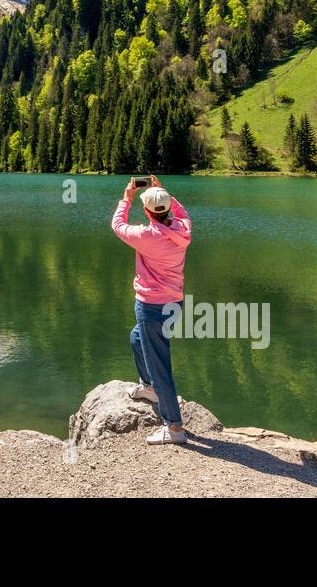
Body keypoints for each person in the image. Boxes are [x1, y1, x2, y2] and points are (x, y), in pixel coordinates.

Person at [111, 175, 192, 445]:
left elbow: (118, 225)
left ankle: (175, 428)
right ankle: (148, 388)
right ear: (168, 208)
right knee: (136, 339)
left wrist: (127, 197)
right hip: (174, 304)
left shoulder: (146, 236)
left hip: (151, 307)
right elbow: (182, 213)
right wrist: (162, 192)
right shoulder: (183, 230)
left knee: (160, 367)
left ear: (146, 212)